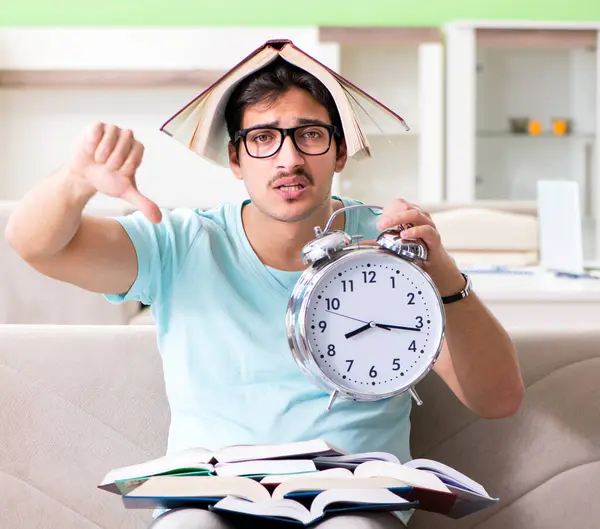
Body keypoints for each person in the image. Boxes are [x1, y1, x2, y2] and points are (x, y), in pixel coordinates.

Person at [5, 57, 524, 529]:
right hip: (205, 502)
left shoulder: (391, 248)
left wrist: (446, 275)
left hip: (356, 503)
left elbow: (498, 399)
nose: (288, 158)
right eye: (262, 139)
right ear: (235, 158)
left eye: (310, 136)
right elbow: (38, 246)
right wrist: (75, 182)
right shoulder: (182, 243)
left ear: (340, 151)